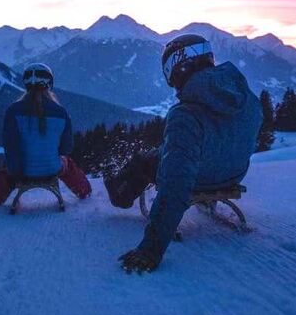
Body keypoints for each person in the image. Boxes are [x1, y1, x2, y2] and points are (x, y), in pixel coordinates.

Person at [105, 33, 263, 273]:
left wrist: (150, 249)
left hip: (200, 176)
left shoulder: (185, 114)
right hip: (233, 175)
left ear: (177, 68)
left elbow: (176, 184)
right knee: (167, 152)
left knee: (146, 160)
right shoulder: (249, 99)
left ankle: (119, 195)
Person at [0, 62, 91, 204]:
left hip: (21, 170)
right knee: (67, 164)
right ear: (49, 83)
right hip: (53, 168)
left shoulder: (13, 111)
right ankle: (84, 191)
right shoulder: (61, 112)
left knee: (6, 166)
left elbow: (10, 146)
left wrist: (16, 168)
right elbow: (66, 148)